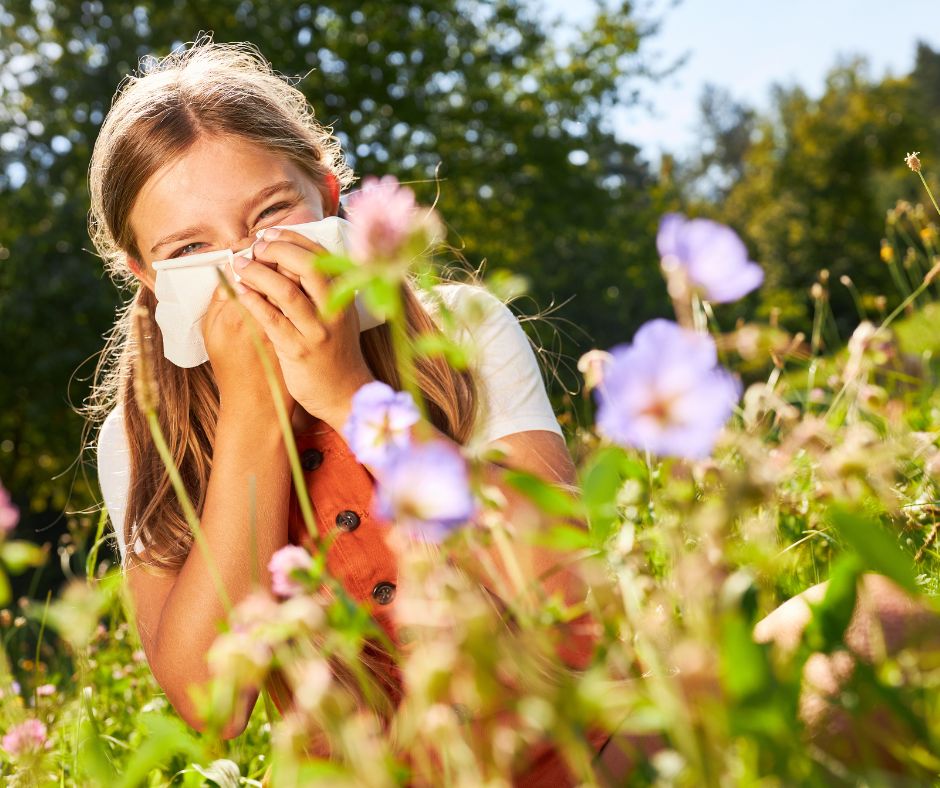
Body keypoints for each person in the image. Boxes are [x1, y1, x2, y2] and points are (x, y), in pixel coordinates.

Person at [87, 38, 613, 785]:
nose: (244, 266)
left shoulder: (456, 328)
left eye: (271, 215)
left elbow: (562, 593)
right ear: (147, 276)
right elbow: (212, 703)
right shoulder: (142, 439)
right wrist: (253, 418)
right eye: (192, 248)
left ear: (330, 198)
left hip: (579, 744)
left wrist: (347, 392)